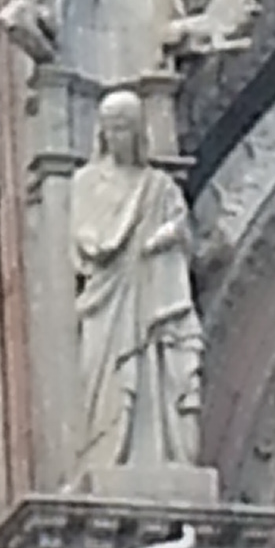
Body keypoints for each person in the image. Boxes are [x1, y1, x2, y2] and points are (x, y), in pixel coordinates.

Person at [69, 89, 204, 477]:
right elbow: (84, 238)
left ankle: (160, 452)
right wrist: (108, 242)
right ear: (101, 133)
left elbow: (182, 228)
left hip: (152, 292)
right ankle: (106, 452)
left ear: (139, 132)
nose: (118, 137)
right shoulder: (85, 181)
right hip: (108, 295)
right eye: (112, 129)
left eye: (126, 128)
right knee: (107, 380)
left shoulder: (158, 185)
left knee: (157, 362)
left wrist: (168, 235)